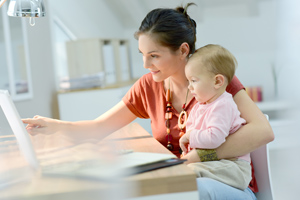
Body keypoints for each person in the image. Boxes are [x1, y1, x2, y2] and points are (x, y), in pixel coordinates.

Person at [22, 3, 274, 200]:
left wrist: (198, 157)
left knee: (187, 190)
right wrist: (55, 126)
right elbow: (100, 127)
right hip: (179, 181)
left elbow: (263, 131)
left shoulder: (215, 80)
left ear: (184, 50)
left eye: (154, 55)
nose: (145, 64)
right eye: (142, 55)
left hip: (226, 185)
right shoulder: (148, 86)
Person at [179, 44, 251, 191]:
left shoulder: (223, 104)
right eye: (188, 81)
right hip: (217, 163)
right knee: (186, 168)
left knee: (189, 171)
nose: (189, 87)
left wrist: (190, 136)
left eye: (194, 80)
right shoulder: (201, 105)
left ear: (217, 81)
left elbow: (214, 138)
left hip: (234, 167)